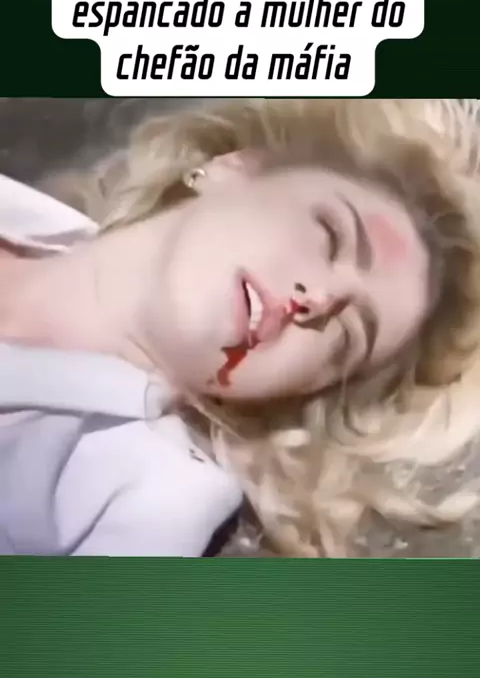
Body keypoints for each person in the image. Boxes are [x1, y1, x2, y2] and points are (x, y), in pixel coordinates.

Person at [2, 98, 480, 557]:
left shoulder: (151, 499)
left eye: (347, 337)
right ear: (234, 167)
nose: (317, 301)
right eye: (329, 234)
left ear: (293, 393)